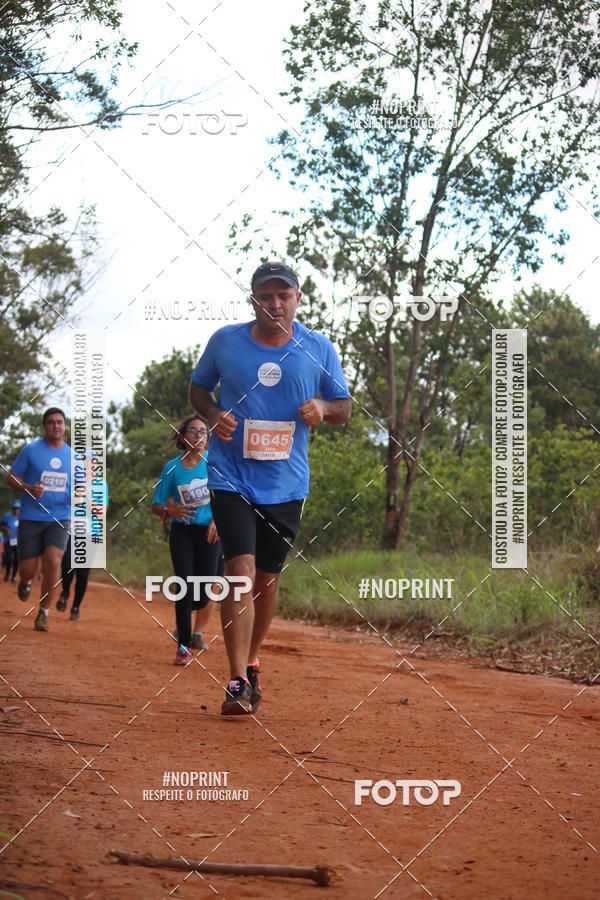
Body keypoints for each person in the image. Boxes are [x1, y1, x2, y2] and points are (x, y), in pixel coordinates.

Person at [189, 260, 351, 715]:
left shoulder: (318, 348)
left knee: (267, 580)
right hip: (230, 477)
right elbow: (198, 390)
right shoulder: (225, 342)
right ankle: (237, 680)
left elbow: (344, 407)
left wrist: (323, 405)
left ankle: (254, 658)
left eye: (284, 295)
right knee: (239, 570)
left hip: (286, 483)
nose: (275, 303)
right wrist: (213, 413)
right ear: (254, 300)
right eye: (266, 296)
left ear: (298, 300)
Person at [152, 414, 222, 665]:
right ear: (183, 437)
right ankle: (183, 646)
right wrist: (169, 511)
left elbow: (227, 500)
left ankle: (185, 626)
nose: (199, 436)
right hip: (182, 531)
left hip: (210, 533)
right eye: (194, 432)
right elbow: (157, 505)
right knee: (183, 586)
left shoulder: (215, 464)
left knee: (203, 595)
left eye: (203, 432)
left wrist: (218, 521)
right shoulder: (172, 468)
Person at [6, 408, 72, 631]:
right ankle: (25, 581)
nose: (56, 426)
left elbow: (81, 487)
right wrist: (28, 488)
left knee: (53, 561)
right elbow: (11, 477)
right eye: (51, 422)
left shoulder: (73, 456)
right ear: (45, 426)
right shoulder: (31, 450)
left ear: (65, 426)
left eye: (60, 422)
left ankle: (43, 613)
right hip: (31, 517)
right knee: (29, 571)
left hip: (60, 517)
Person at [1, 501, 20, 583]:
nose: (16, 510)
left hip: (19, 542)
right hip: (8, 541)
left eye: (18, 509)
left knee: (17, 559)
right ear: (12, 509)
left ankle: (14, 576)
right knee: (8, 558)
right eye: (15, 508)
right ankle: (8, 572)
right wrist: (6, 529)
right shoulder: (7, 516)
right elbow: (1, 524)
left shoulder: (22, 517)